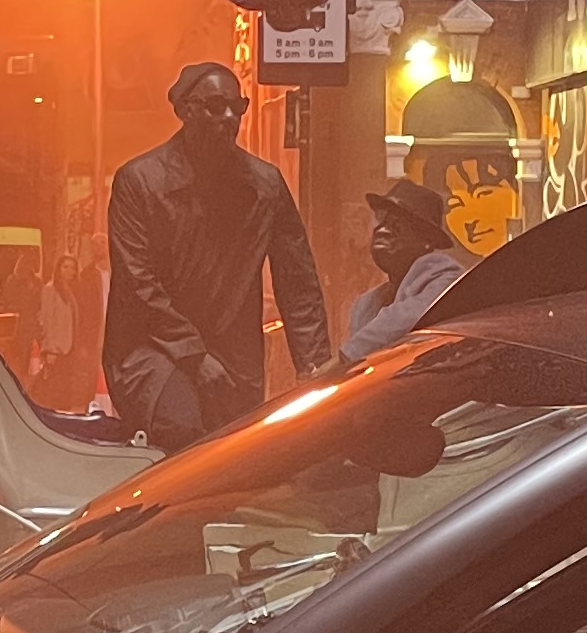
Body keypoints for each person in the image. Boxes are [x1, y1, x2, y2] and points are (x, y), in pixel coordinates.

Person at [103, 62, 333, 449]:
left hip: (233, 358)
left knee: (237, 457)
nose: (228, 117)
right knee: (183, 431)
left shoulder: (264, 185)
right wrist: (194, 356)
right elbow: (138, 285)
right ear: (185, 110)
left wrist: (315, 368)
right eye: (214, 106)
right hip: (152, 352)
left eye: (237, 108)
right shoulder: (140, 181)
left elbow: (298, 282)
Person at [343, 178, 469, 361]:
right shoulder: (366, 304)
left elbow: (404, 320)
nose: (382, 229)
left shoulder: (447, 279)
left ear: (427, 240)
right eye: (380, 218)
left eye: (397, 223)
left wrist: (341, 360)